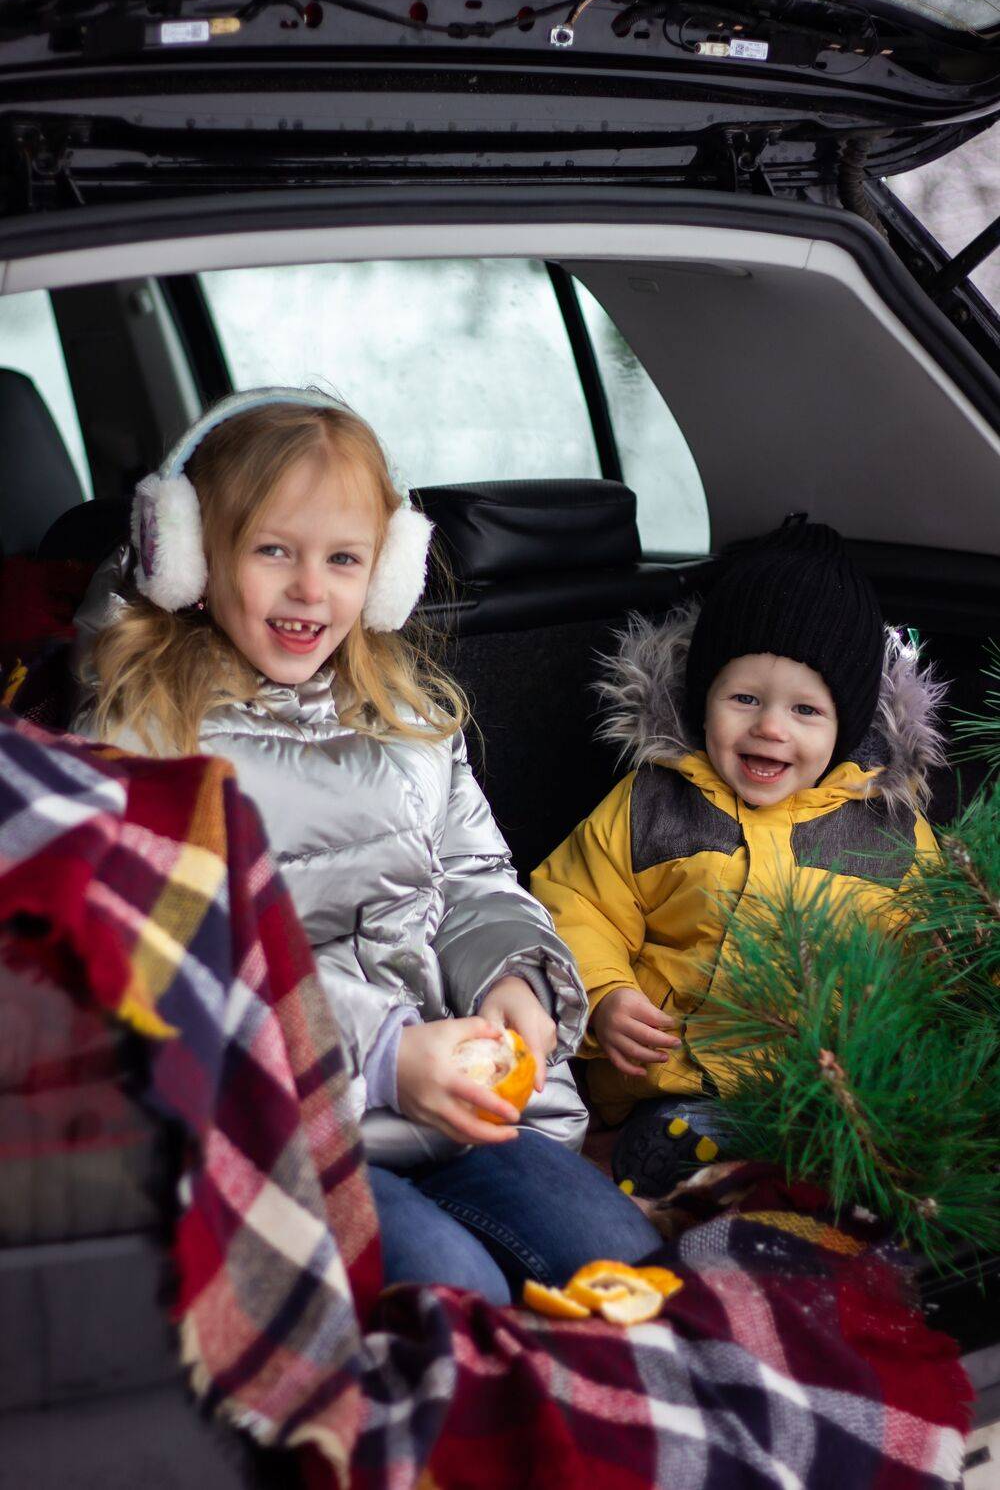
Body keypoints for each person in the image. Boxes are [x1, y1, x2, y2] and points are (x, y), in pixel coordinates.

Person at [73, 386, 658, 1301]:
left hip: (444, 1102)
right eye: (274, 551)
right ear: (187, 556)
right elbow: (174, 960)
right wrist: (385, 1057)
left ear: (387, 574)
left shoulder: (410, 720)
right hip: (272, 1128)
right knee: (456, 1293)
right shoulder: (142, 739)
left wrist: (515, 978)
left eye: (345, 559)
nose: (312, 589)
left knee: (623, 1255)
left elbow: (473, 878)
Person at [531, 518, 945, 1198]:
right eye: (745, 698)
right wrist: (605, 994)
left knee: (865, 1153)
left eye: (806, 711)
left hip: (828, 1092)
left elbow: (935, 954)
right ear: (704, 701)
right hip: (676, 1076)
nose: (770, 727)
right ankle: (711, 1165)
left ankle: (781, 1177)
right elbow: (573, 903)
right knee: (670, 1138)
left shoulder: (889, 833)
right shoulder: (654, 804)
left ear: (847, 728)